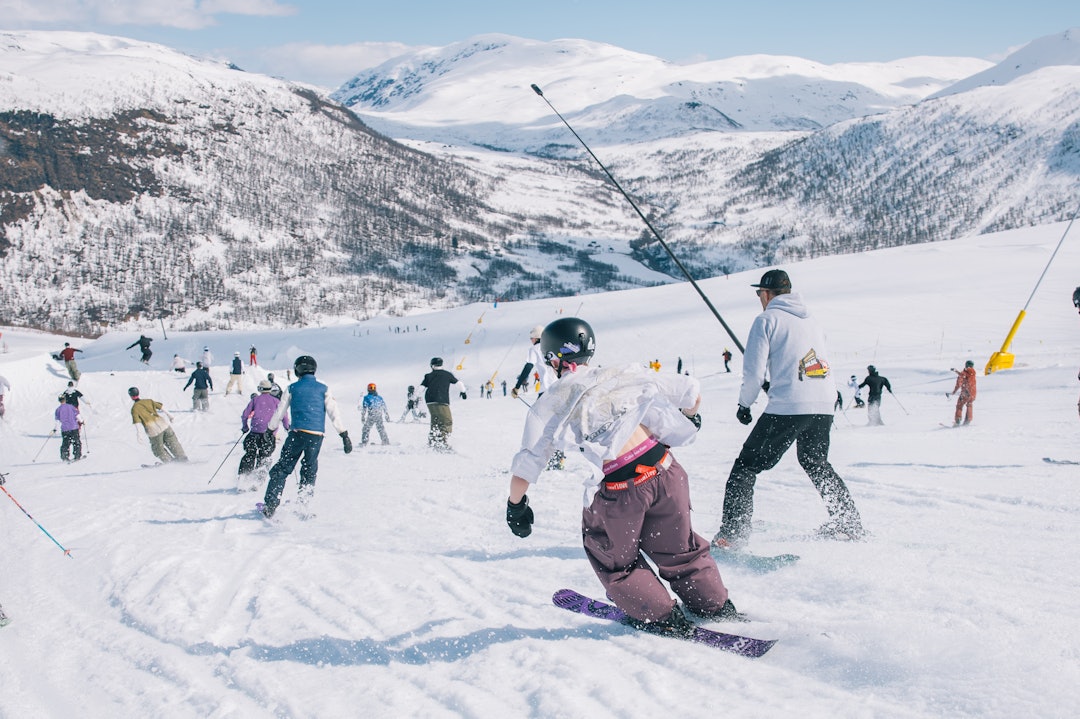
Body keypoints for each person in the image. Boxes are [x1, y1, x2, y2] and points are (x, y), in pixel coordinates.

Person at [505, 317, 736, 636]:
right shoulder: (623, 371)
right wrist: (690, 417)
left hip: (624, 488)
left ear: (552, 358)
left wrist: (516, 506)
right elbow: (690, 392)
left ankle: (660, 616)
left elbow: (528, 462)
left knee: (611, 555)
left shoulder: (554, 398)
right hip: (667, 472)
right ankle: (713, 605)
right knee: (679, 548)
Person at [712, 269, 864, 549]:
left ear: (768, 294)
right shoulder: (812, 321)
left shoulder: (766, 320)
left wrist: (744, 405)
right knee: (816, 462)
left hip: (791, 405)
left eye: (760, 293)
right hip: (823, 403)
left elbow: (754, 374)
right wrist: (781, 383)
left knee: (746, 466)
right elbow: (811, 364)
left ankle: (733, 533)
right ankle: (848, 521)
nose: (760, 298)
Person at [261, 355, 351, 518]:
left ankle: (270, 505)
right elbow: (333, 412)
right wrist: (343, 434)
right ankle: (304, 507)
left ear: (297, 370)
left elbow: (280, 411)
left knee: (282, 469)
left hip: (297, 434)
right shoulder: (323, 388)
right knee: (309, 470)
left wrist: (269, 430)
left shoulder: (292, 388)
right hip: (316, 436)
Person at [238, 380, 287, 483]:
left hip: (254, 433)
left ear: (259, 389)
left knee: (249, 454)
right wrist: (287, 427)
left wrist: (245, 427)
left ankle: (243, 477)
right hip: (269, 434)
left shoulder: (255, 400)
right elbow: (284, 416)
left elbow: (245, 415)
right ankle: (258, 480)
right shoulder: (276, 401)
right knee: (264, 456)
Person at [128, 387, 187, 463]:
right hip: (164, 425)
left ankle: (170, 462)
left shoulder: (135, 408)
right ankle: (183, 459)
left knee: (158, 450)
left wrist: (138, 434)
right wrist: (170, 416)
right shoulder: (148, 401)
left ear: (131, 396)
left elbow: (136, 422)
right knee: (173, 443)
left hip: (154, 431)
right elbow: (161, 407)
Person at [422, 357, 460, 450]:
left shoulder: (428, 376)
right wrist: (463, 392)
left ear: (432, 365)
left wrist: (412, 399)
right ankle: (441, 442)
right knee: (446, 421)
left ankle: (432, 441)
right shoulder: (447, 374)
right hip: (441, 401)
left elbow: (421, 387)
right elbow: (459, 383)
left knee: (435, 421)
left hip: (430, 401)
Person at [512, 325, 555, 398]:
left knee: (538, 409)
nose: (531, 340)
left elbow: (528, 367)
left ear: (536, 338)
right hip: (558, 385)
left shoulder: (535, 349)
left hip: (546, 388)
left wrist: (517, 387)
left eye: (531, 338)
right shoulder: (552, 346)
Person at [54, 396, 83, 462]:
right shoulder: (71, 407)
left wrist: (55, 429)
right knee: (76, 442)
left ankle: (64, 457)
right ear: (65, 399)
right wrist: (81, 421)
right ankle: (77, 455)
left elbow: (57, 421)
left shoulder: (58, 409)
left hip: (65, 429)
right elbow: (77, 415)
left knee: (65, 443)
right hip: (74, 427)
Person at [948, 360, 978, 426]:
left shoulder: (965, 372)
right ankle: (968, 420)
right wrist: (957, 371)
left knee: (959, 405)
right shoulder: (973, 372)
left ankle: (958, 420)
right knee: (969, 404)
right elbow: (964, 375)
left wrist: (954, 392)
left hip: (966, 392)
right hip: (973, 393)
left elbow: (960, 381)